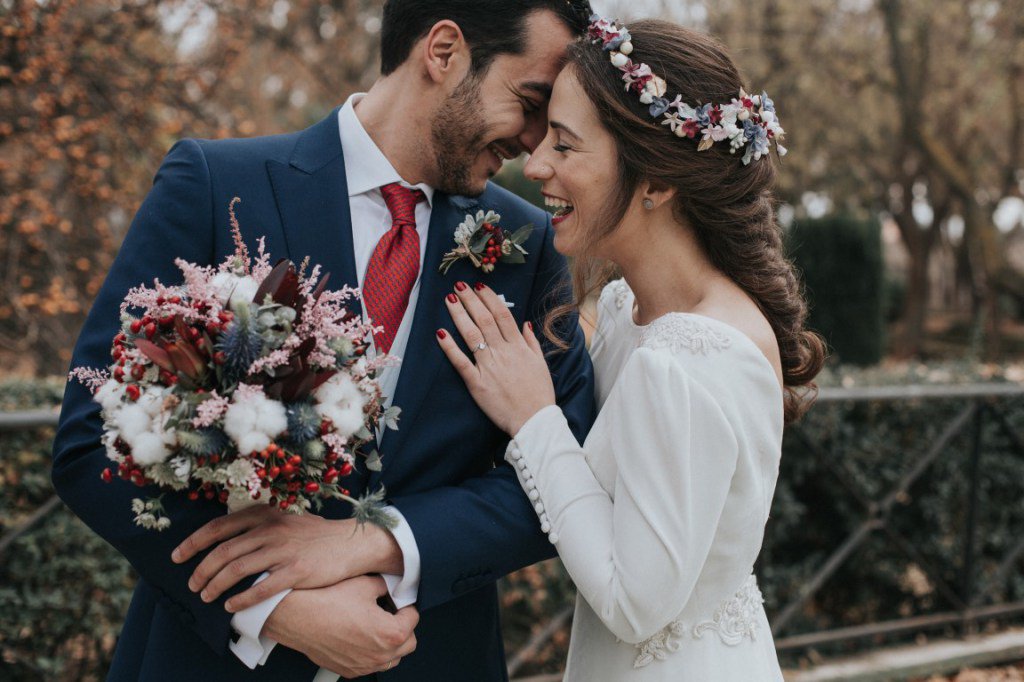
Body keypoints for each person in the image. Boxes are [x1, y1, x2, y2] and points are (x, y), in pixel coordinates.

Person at [51, 1, 597, 680]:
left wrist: (383, 543)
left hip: (430, 657)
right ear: (444, 51)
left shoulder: (525, 246)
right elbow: (91, 441)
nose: (537, 143)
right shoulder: (217, 186)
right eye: (531, 101)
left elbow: (568, 473)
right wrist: (270, 606)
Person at [436, 16, 827, 681]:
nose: (534, 166)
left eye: (565, 145)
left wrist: (534, 420)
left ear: (657, 181)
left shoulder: (690, 360)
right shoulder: (627, 311)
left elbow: (632, 602)